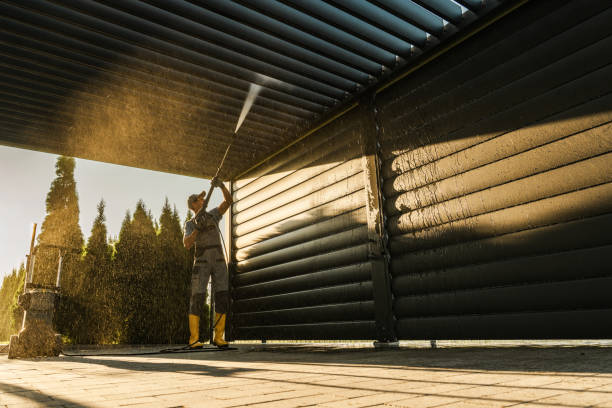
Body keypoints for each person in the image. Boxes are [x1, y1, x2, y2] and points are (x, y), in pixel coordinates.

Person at [183, 177, 232, 348]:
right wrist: (197, 229)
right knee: (197, 297)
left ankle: (219, 337)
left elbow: (228, 201)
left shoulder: (213, 214)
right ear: (194, 204)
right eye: (200, 199)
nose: (203, 199)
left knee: (222, 296)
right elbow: (187, 244)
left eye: (203, 198)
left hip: (218, 260)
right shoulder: (189, 224)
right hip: (201, 261)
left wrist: (222, 186)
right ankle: (194, 339)